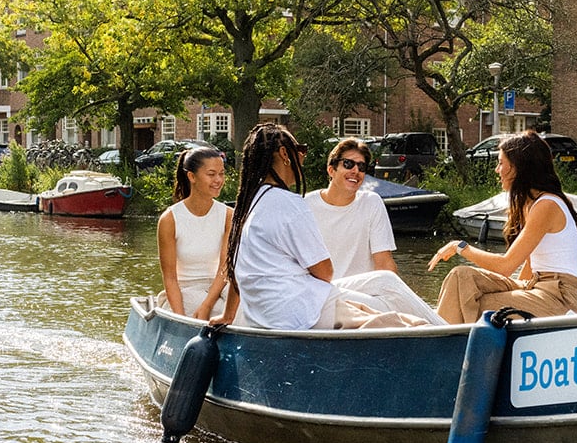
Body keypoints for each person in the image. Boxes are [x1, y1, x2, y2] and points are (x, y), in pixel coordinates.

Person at [219, 123, 444, 330]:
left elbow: (235, 269)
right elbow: (325, 272)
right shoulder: (293, 204)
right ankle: (451, 334)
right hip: (303, 311)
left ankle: (440, 328)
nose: (303, 156)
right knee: (389, 293)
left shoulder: (250, 204)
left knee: (383, 286)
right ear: (285, 154)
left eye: (362, 166)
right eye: (300, 148)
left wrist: (228, 316)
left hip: (272, 311)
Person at [428, 130, 577, 323]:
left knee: (472, 301)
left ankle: (440, 343)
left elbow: (505, 266)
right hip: (536, 287)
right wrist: (514, 288)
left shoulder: (547, 205)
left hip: (562, 297)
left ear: (518, 167)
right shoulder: (531, 204)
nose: (497, 169)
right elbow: (529, 266)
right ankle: (444, 337)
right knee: (461, 276)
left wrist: (460, 247)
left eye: (501, 162)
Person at [305, 138, 398, 278]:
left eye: (361, 167)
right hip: (322, 294)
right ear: (331, 170)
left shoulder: (372, 203)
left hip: (363, 294)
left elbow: (384, 264)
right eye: (348, 164)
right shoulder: (306, 206)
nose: (356, 171)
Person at [157, 145, 230, 319]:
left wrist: (207, 305)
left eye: (221, 174)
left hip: (219, 290)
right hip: (185, 291)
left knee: (244, 309)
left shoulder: (229, 216)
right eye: (211, 174)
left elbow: (225, 268)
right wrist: (181, 319)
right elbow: (170, 278)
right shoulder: (169, 219)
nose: (218, 180)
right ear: (191, 176)